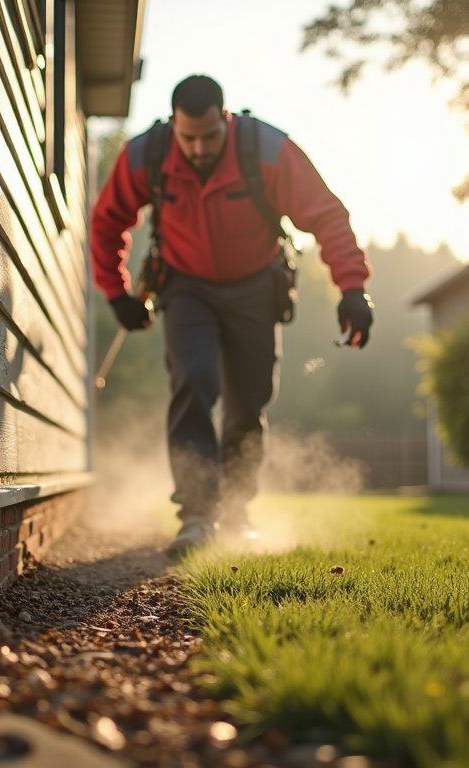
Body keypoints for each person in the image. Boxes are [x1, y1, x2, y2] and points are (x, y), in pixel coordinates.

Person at [90, 75, 373, 558]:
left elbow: (326, 214)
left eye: (209, 137)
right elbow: (107, 220)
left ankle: (237, 514)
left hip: (255, 286)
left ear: (225, 119)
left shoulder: (266, 149)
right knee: (192, 383)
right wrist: (115, 293)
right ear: (175, 126)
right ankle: (197, 517)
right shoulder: (147, 154)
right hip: (185, 287)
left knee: (248, 402)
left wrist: (352, 288)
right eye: (188, 138)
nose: (199, 148)